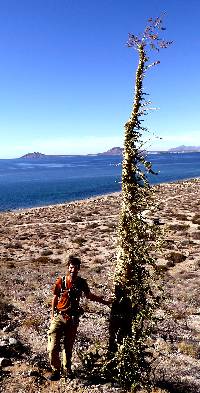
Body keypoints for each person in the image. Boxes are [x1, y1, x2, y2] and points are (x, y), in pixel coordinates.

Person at [47, 255, 110, 381]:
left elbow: (89, 296)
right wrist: (52, 314)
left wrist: (105, 302)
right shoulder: (61, 281)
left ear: (79, 268)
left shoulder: (82, 283)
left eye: (75, 268)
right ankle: (56, 370)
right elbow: (54, 297)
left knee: (68, 346)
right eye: (71, 267)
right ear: (68, 268)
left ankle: (67, 369)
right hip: (59, 316)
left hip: (73, 318)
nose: (73, 270)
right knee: (53, 347)